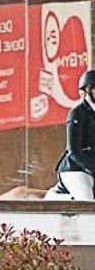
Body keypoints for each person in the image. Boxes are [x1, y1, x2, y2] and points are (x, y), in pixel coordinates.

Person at [53, 68, 95, 199]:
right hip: (75, 169)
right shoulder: (77, 113)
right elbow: (74, 151)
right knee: (87, 201)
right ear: (87, 91)